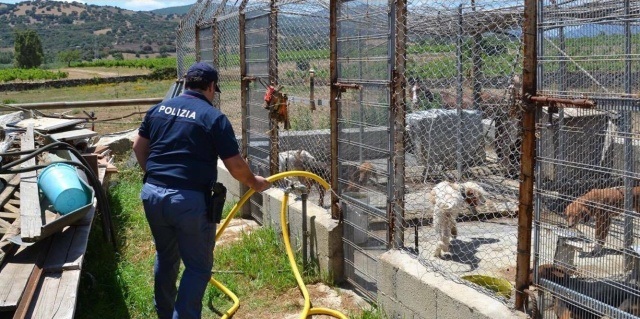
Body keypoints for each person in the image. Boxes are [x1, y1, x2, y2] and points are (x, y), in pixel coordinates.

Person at [132, 61, 270, 319]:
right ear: (210, 87)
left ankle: (164, 312)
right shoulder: (212, 117)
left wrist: (153, 176)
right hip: (188, 200)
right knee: (197, 267)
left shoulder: (157, 110)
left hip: (152, 194)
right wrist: (255, 183)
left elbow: (138, 148)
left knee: (166, 255)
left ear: (185, 84)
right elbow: (235, 165)